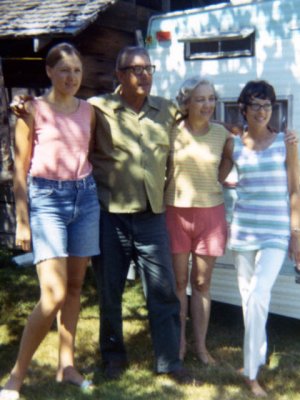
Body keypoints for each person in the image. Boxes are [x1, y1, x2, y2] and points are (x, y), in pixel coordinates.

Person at [88, 46, 198, 383]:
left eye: (148, 68)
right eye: (135, 69)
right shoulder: (98, 109)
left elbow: (199, 125)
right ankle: (113, 356)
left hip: (152, 217)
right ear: (119, 75)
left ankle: (169, 361)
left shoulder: (165, 110)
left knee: (163, 290)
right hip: (112, 216)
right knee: (110, 291)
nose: (143, 74)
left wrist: (237, 138)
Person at [0, 43, 100, 400]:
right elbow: (20, 170)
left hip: (85, 198)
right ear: (48, 72)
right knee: (54, 293)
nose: (71, 77)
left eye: (76, 70)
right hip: (47, 201)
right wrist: (23, 221)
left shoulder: (88, 110)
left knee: (74, 289)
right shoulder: (32, 110)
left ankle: (66, 366)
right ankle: (16, 376)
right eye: (64, 70)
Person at [219, 80, 300, 397]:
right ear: (244, 109)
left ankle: (251, 374)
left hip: (276, 232)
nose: (263, 111)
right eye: (256, 105)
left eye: (268, 105)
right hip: (243, 231)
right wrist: (234, 185)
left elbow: (295, 191)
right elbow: (219, 176)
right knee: (248, 299)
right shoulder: (234, 145)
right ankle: (259, 354)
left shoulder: (286, 142)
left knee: (258, 294)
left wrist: (296, 233)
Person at [164, 78, 229, 365]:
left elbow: (227, 165)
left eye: (211, 98)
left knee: (201, 283)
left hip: (210, 215)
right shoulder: (170, 132)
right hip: (176, 212)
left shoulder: (222, 134)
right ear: (186, 102)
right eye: (200, 99)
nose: (207, 105)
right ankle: (178, 344)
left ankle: (201, 348)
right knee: (178, 283)